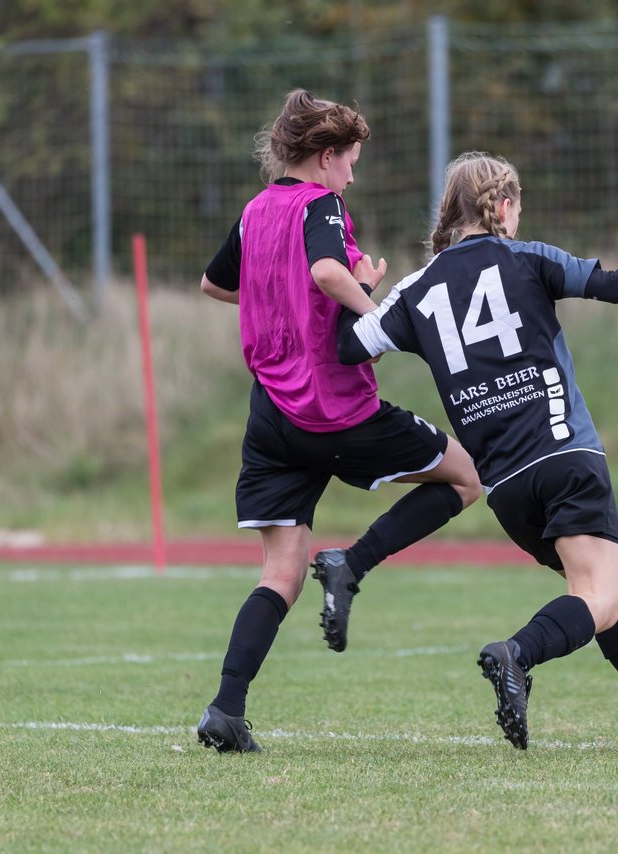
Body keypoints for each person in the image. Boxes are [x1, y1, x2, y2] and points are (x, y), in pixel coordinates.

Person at [335, 151, 618, 752]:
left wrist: (364, 288)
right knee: (597, 595)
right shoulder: (527, 257)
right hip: (564, 458)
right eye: (516, 206)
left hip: (506, 490)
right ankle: (516, 655)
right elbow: (613, 286)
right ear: (501, 207)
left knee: (608, 594)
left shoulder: (416, 291)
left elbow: (350, 348)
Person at [194, 91, 482, 753]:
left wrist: (293, 286)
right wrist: (374, 314)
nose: (352, 176)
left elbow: (215, 285)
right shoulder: (322, 204)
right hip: (335, 409)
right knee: (466, 478)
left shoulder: (255, 209)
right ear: (325, 158)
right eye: (349, 162)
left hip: (271, 415)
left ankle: (225, 711)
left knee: (280, 574)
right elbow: (326, 271)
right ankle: (351, 563)